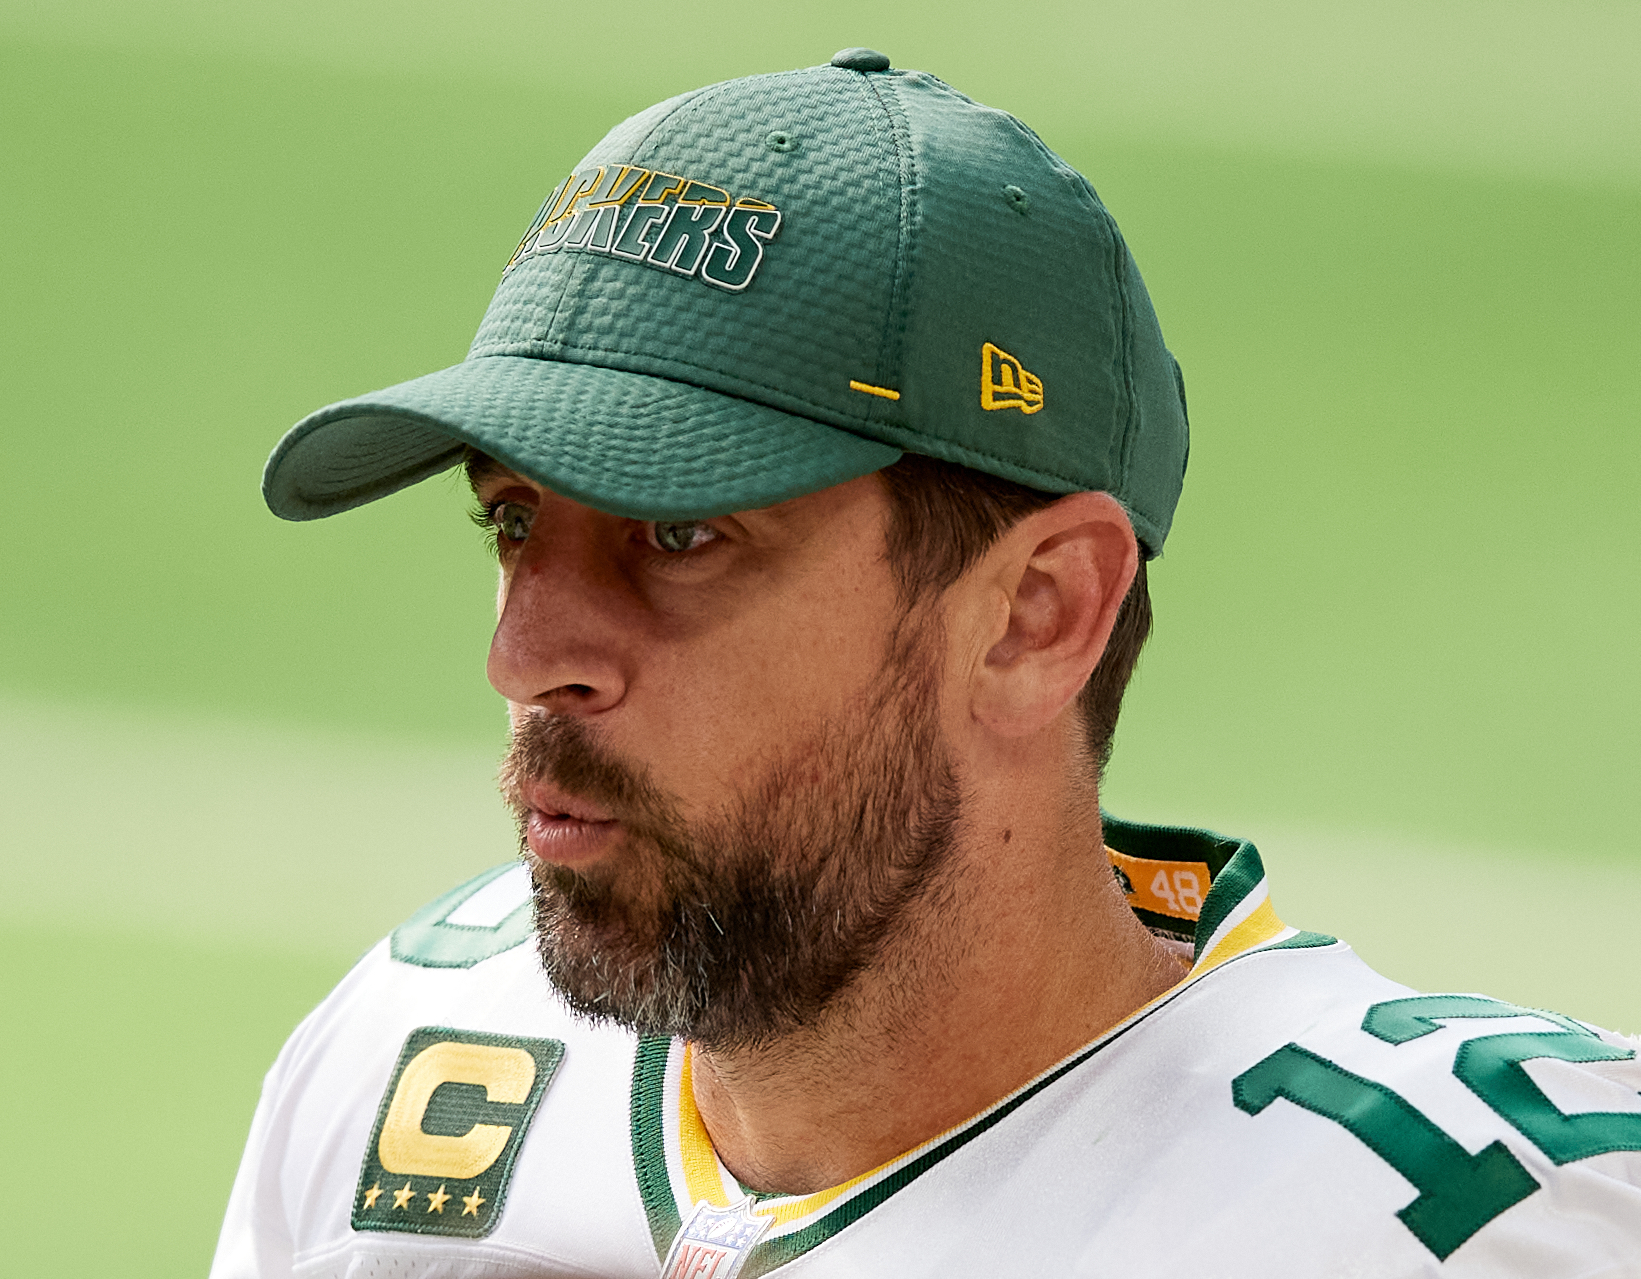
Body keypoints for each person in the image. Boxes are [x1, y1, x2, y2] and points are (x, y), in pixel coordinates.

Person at [211, 49, 1641, 1279]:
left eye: (681, 532)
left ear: (1035, 614)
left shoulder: (1491, 1218)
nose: (525, 659)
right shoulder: (410, 1048)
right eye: (515, 523)